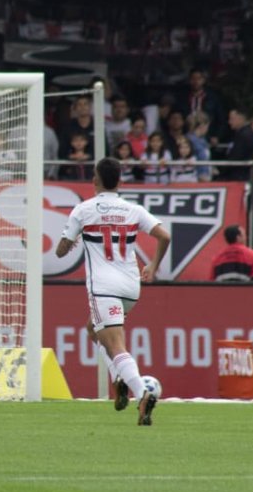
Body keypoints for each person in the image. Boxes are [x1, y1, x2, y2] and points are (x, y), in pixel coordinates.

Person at [54, 156, 171, 426]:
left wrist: (70, 242)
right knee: (93, 329)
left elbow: (60, 251)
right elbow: (165, 236)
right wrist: (152, 266)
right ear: (119, 181)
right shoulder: (133, 210)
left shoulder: (83, 210)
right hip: (131, 287)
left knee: (116, 343)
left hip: (104, 287)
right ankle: (118, 378)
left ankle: (142, 392)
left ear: (94, 180)